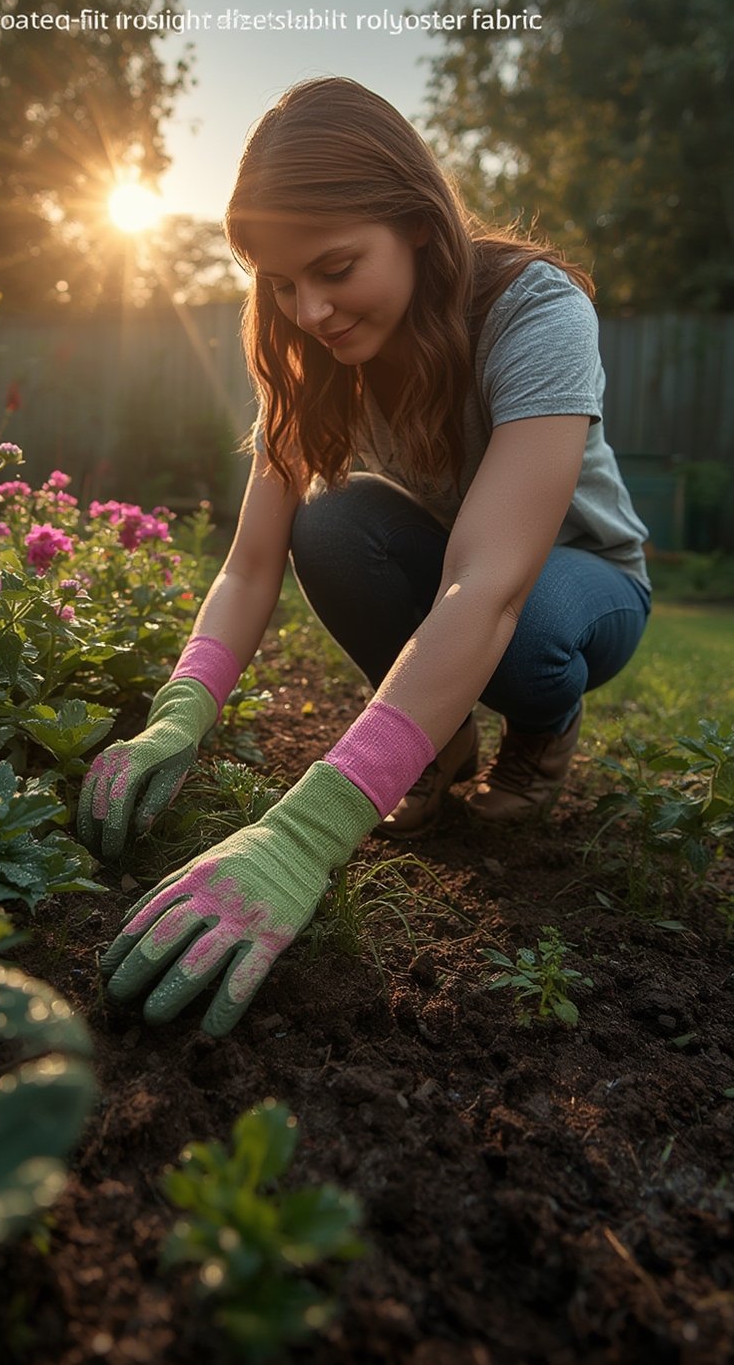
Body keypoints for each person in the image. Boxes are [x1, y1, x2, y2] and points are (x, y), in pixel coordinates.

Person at [77, 76, 652, 1038]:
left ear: (419, 223)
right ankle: (439, 739)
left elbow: (490, 583)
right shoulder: (307, 353)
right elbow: (251, 564)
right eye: (282, 281)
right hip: (465, 583)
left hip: (578, 581)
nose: (312, 309)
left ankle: (541, 728)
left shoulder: (532, 309)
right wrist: (175, 721)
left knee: (529, 632)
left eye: (337, 267)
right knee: (328, 519)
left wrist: (305, 833)